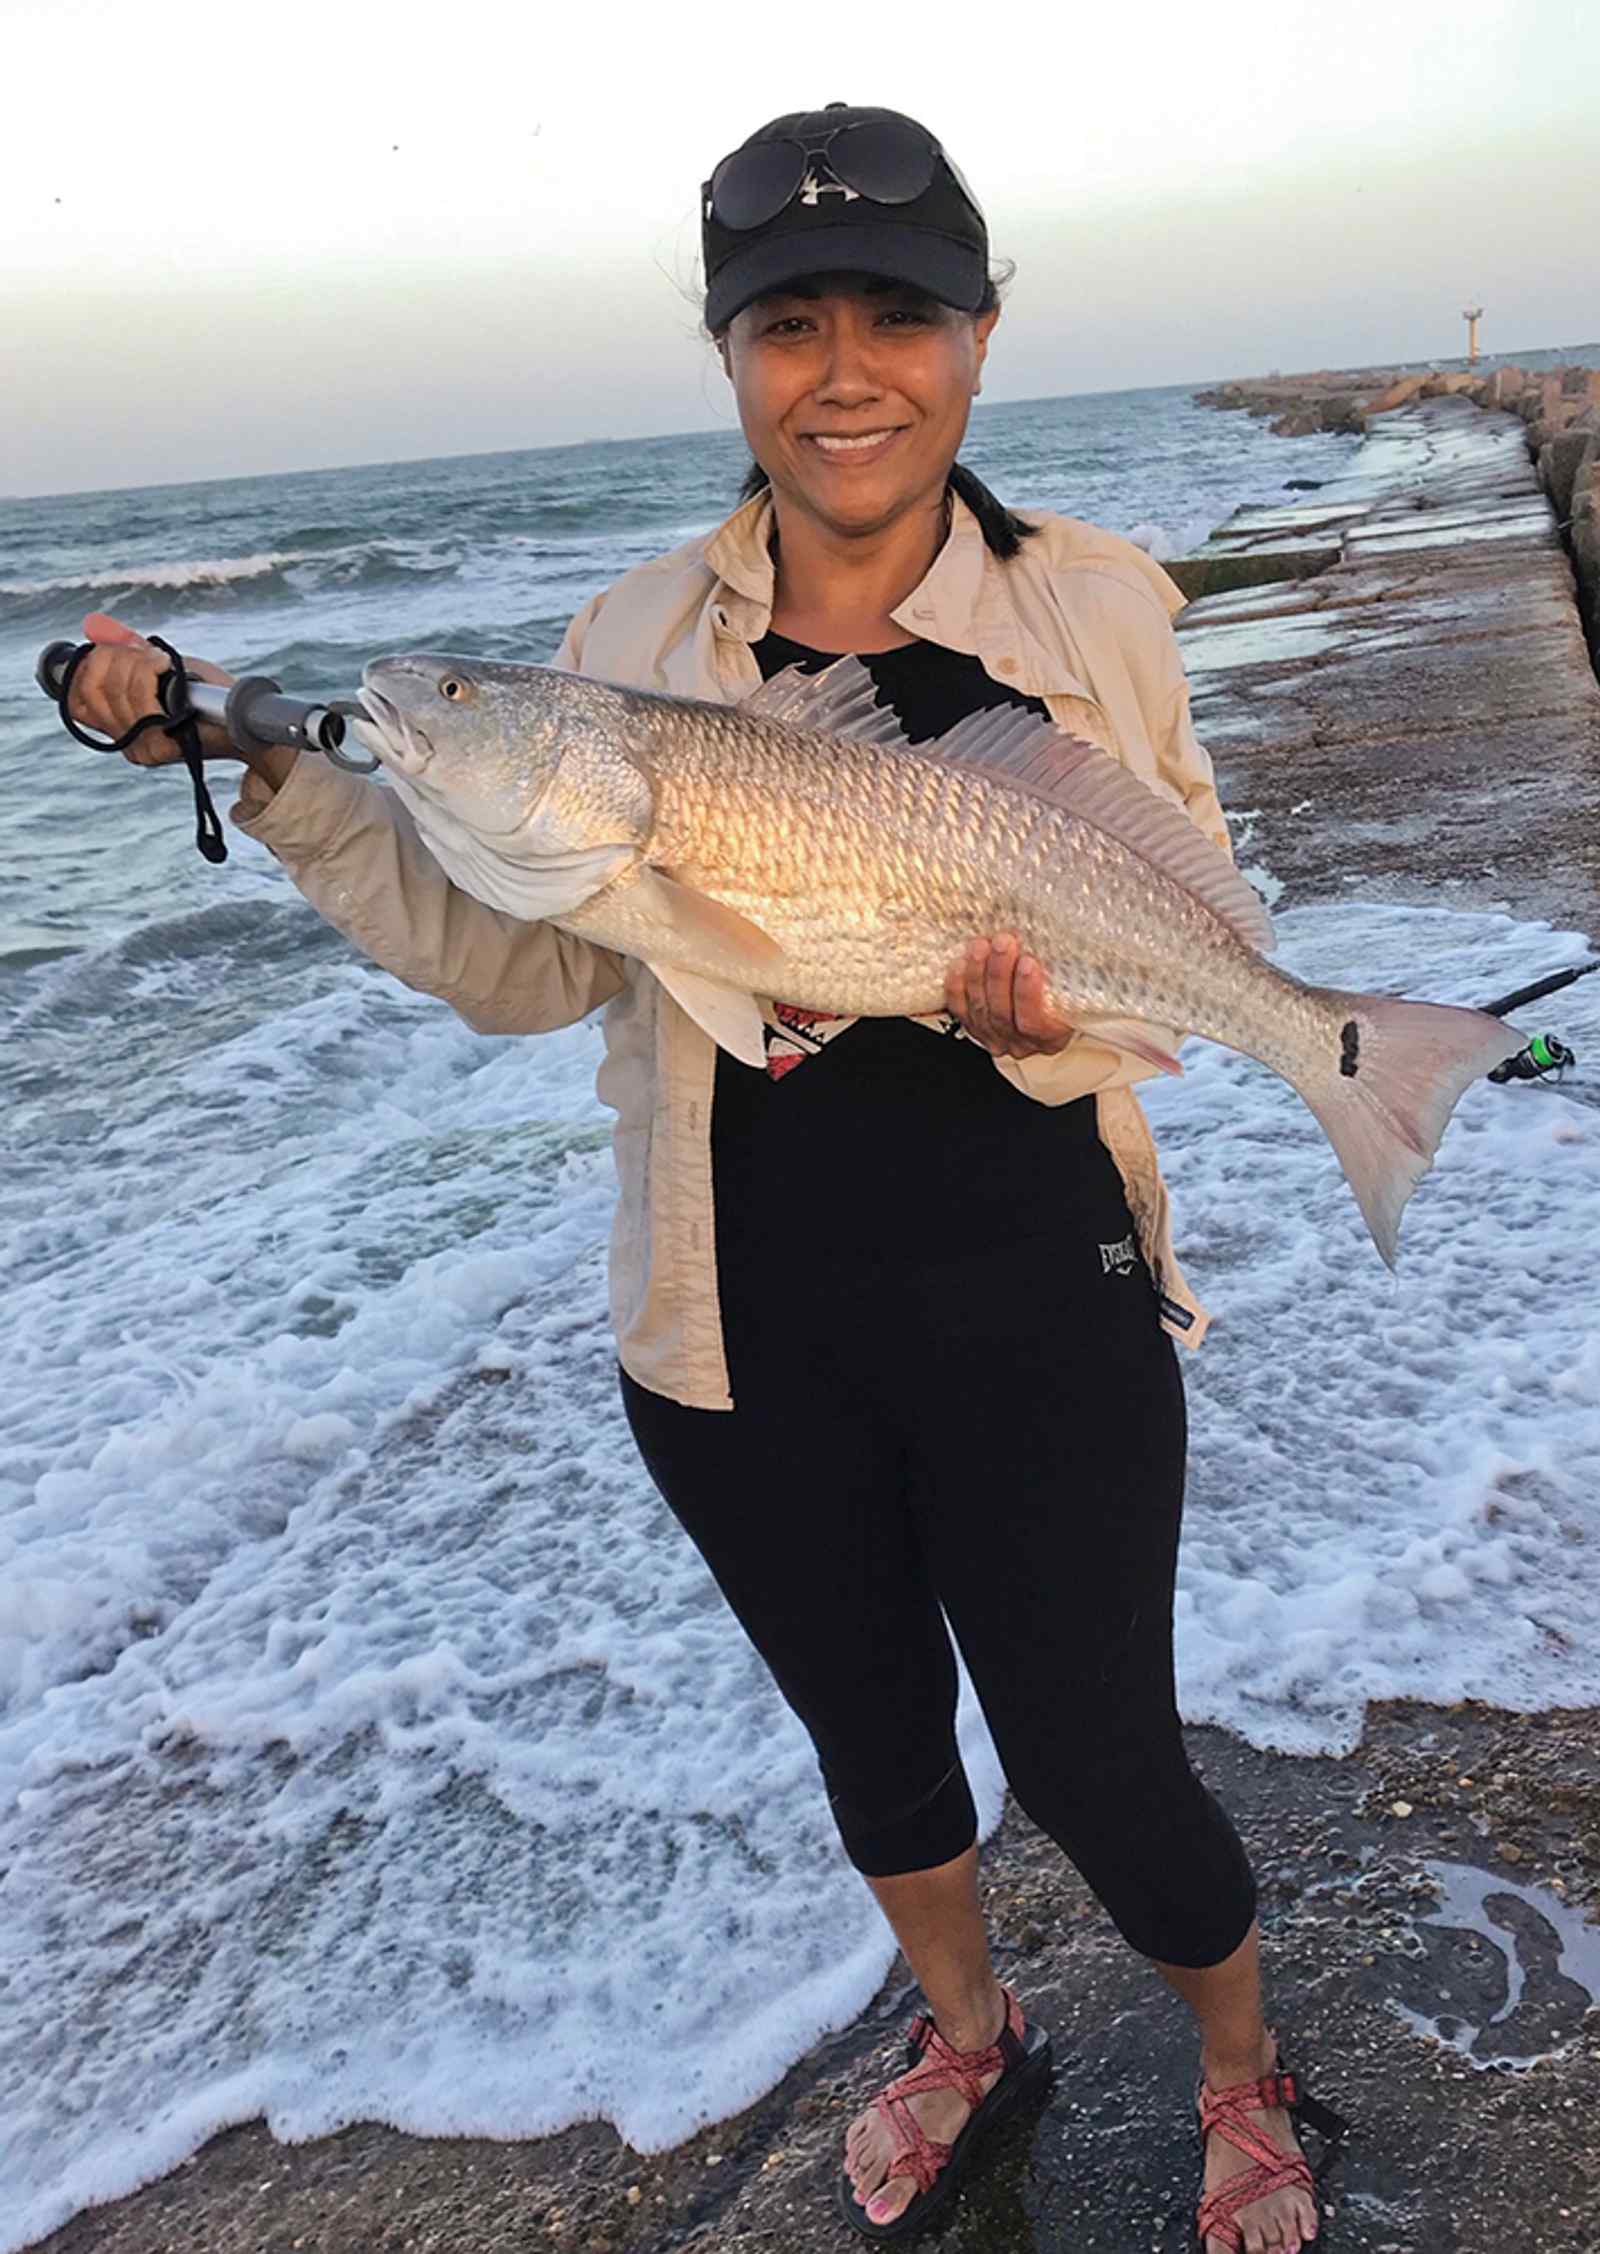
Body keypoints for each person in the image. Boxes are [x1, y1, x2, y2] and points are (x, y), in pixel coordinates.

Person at [67, 103, 1347, 2254]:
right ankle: (968, 2030)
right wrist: (273, 770)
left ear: (977, 334)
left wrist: (1056, 1023)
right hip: (736, 1332)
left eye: (897, 319)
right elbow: (520, 955)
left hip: (1038, 1306)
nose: (844, 373)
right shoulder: (628, 636)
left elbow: (1178, 932)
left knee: (1099, 1758)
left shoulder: (1102, 605)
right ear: (729, 352)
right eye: (786, 326)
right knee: (873, 1738)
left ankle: (1240, 2062)